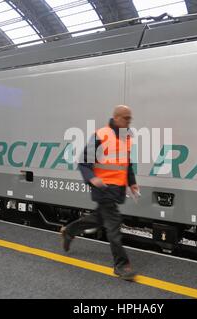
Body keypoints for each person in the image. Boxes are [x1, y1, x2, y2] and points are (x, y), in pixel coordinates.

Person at [60, 105, 140, 281]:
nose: (129, 121)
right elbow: (83, 162)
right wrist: (92, 179)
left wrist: (132, 183)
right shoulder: (101, 135)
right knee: (114, 226)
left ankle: (69, 231)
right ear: (116, 118)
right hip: (103, 188)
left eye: (130, 118)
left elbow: (126, 164)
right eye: (126, 118)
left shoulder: (126, 137)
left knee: (98, 219)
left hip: (116, 189)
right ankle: (121, 265)